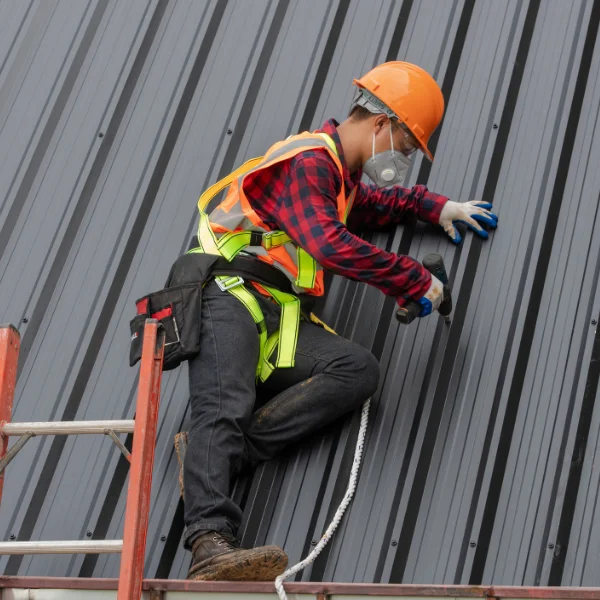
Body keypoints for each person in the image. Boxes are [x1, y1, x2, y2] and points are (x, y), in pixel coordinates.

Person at [177, 61, 498, 581]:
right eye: (408, 146)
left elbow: (372, 207)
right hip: (227, 293)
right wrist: (412, 279)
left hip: (273, 312)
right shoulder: (310, 163)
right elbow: (328, 242)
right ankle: (209, 544)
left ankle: (214, 459)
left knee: (357, 370)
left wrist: (435, 207)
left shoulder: (338, 180)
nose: (406, 159)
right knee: (225, 402)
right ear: (379, 126)